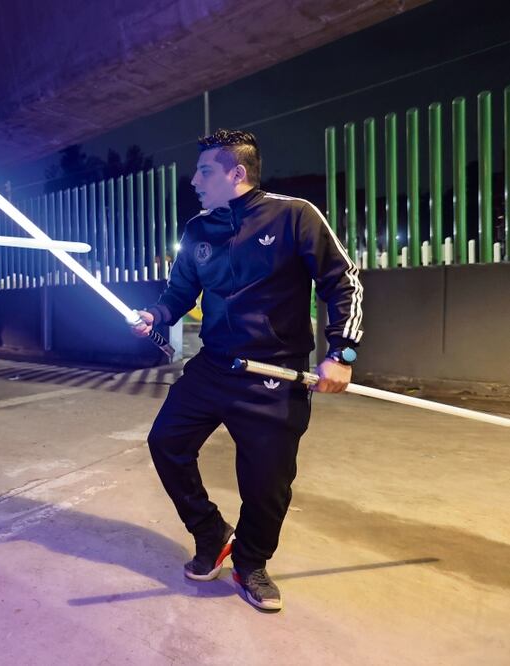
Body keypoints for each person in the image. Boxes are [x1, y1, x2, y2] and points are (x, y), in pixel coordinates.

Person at [132, 129, 362, 611]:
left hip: (274, 376)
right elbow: (180, 292)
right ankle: (212, 533)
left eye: (205, 171)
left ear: (237, 173)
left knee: (266, 484)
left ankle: (251, 563)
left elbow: (343, 282)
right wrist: (157, 315)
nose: (194, 179)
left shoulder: (294, 215)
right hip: (214, 367)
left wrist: (341, 353)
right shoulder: (198, 229)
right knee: (166, 443)